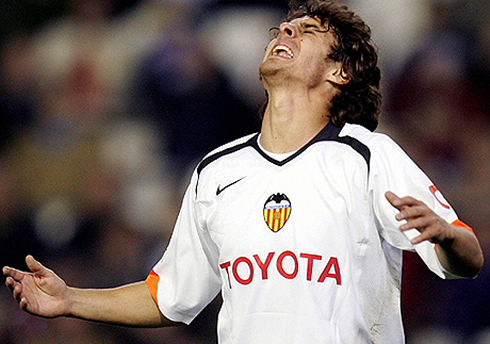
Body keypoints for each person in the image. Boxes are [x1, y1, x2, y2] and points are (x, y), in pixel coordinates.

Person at [3, 0, 484, 343]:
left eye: (307, 30)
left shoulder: (367, 156)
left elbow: (469, 257)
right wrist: (70, 300)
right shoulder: (216, 171)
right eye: (280, 29)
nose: (284, 33)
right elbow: (168, 297)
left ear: (339, 72)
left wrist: (443, 234)